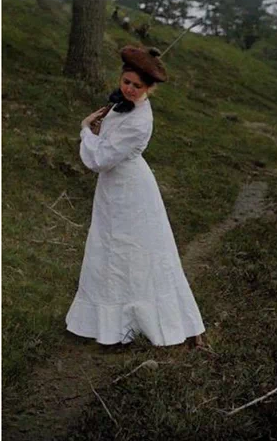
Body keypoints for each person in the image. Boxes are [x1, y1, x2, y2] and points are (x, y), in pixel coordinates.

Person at [66, 45, 205, 347]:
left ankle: (144, 322)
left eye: (137, 86)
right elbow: (107, 143)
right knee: (107, 247)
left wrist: (85, 131)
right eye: (125, 82)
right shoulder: (122, 106)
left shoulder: (141, 120)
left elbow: (100, 160)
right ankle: (107, 324)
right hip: (112, 189)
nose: (128, 89)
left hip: (131, 191)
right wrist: (101, 123)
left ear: (150, 89)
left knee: (135, 250)